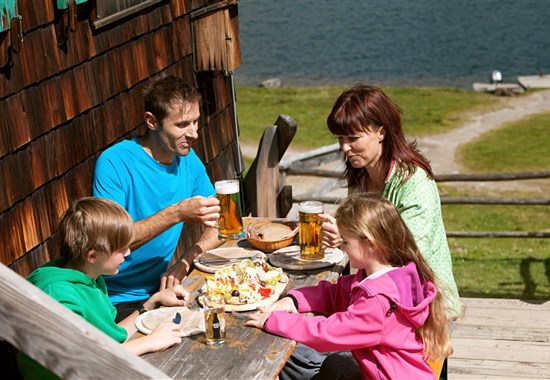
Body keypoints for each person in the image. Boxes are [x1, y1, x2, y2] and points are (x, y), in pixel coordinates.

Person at [245, 193, 452, 379]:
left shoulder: (378, 302)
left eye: (345, 242)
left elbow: (328, 334)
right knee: (331, 364)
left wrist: (274, 321)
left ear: (370, 244)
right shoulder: (390, 275)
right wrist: (295, 300)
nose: (342, 248)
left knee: (308, 361)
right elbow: (335, 293)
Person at [321, 84, 461, 320]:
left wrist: (347, 240)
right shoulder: (360, 179)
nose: (345, 147)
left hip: (426, 308)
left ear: (381, 132)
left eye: (353, 138)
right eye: (340, 138)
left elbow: (404, 255)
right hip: (382, 299)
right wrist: (342, 239)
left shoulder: (414, 182)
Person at [93, 75, 222, 320]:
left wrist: (187, 259)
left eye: (196, 121)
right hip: (114, 299)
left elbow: (221, 222)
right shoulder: (115, 162)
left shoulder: (188, 160)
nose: (194, 133)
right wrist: (177, 213)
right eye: (182, 125)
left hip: (162, 290)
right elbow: (109, 243)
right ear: (152, 121)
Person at [17, 197, 190, 379]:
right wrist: (150, 342)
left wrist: (153, 302)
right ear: (93, 255)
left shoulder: (90, 276)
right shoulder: (58, 297)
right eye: (121, 249)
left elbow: (112, 336)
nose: (128, 252)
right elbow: (86, 360)